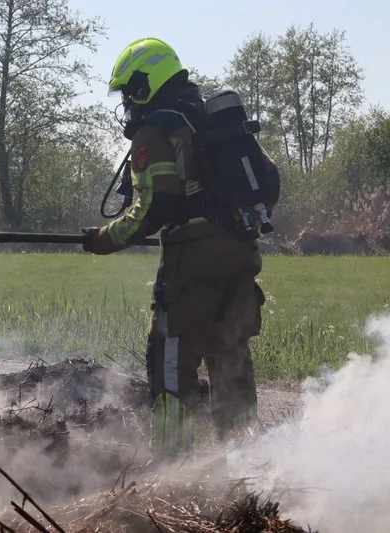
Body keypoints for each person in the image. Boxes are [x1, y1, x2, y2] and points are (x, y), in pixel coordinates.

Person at [82, 37, 279, 458]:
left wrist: (103, 239)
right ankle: (247, 467)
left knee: (170, 364)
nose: (128, 102)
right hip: (241, 258)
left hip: (193, 266)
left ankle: (171, 474)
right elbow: (269, 181)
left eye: (130, 90)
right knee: (232, 361)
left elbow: (157, 204)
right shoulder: (212, 121)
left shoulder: (155, 130)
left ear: (146, 84)